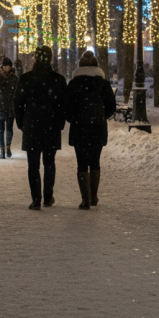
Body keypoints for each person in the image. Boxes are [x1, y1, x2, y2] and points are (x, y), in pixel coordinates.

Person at [14, 45, 67, 210]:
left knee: (33, 164)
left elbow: (18, 103)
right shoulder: (58, 80)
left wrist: (22, 123)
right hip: (51, 126)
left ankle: (36, 198)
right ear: (50, 59)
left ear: (35, 58)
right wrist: (59, 122)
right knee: (49, 162)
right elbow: (63, 105)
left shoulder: (26, 78)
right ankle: (48, 196)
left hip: (32, 126)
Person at [64, 51, 116, 210]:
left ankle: (85, 200)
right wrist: (101, 118)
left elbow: (66, 108)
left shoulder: (73, 84)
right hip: (97, 128)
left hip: (80, 128)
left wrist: (74, 119)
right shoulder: (104, 83)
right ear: (96, 66)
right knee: (95, 161)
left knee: (81, 163)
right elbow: (111, 107)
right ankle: (94, 196)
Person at [0, 57, 19, 159]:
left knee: (9, 129)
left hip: (10, 108)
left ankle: (8, 147)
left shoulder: (15, 79)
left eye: (8, 67)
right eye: (5, 66)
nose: (6, 68)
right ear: (2, 67)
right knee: (0, 130)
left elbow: (19, 94)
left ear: (11, 67)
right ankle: (2, 150)